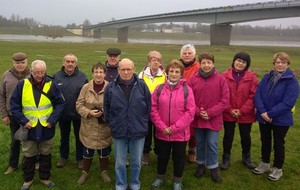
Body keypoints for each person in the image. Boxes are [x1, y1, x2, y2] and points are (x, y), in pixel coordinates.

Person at [10, 60, 65, 190]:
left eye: (42, 72)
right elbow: (14, 106)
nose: (39, 75)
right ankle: (28, 180)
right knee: (29, 154)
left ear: (45, 71)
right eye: (36, 72)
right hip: (29, 128)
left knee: (46, 153)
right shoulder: (22, 84)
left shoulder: (52, 84)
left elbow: (61, 103)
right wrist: (24, 121)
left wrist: (52, 120)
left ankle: (45, 178)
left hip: (47, 127)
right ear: (31, 72)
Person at [104, 58, 151, 190]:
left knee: (136, 162)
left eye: (128, 69)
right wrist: (113, 124)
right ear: (118, 70)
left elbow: (148, 107)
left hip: (138, 130)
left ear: (133, 69)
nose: (126, 72)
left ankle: (135, 184)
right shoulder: (111, 87)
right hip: (119, 130)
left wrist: (141, 122)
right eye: (123, 69)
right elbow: (106, 108)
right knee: (120, 162)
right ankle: (121, 185)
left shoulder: (142, 86)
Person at [253, 52, 299, 181]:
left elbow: (288, 102)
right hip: (264, 116)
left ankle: (278, 169)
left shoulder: (292, 81)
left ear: (288, 64)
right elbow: (258, 95)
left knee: (278, 144)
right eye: (277, 62)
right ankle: (265, 164)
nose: (280, 64)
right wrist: (263, 112)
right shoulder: (267, 77)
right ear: (274, 64)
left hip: (281, 119)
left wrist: (270, 113)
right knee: (265, 141)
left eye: (283, 62)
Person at [150, 60, 195, 190]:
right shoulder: (159, 89)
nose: (174, 74)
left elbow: (190, 112)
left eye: (177, 72)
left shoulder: (187, 90)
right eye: (171, 71)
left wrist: (174, 128)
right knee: (162, 156)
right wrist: (162, 127)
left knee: (179, 157)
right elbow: (153, 109)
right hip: (162, 132)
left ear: (181, 74)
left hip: (180, 134)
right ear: (167, 73)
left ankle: (177, 181)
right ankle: (160, 178)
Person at [189, 53, 229, 183]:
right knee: (200, 143)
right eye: (204, 63)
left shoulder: (221, 79)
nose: (206, 65)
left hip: (214, 118)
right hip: (198, 118)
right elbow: (189, 99)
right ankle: (200, 164)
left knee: (212, 143)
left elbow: (225, 100)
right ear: (200, 64)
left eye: (209, 63)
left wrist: (210, 113)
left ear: (213, 64)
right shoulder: (193, 79)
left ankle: (213, 167)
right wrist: (197, 112)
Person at [76, 62, 112, 185]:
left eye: (101, 72)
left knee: (104, 150)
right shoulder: (85, 88)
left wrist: (104, 113)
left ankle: (104, 171)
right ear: (92, 73)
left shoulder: (110, 88)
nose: (98, 74)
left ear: (105, 74)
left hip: (104, 127)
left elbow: (115, 107)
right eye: (96, 72)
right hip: (88, 126)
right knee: (88, 149)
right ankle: (85, 172)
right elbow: (78, 105)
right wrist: (89, 112)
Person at [220, 52, 258, 170]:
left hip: (245, 113)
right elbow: (221, 94)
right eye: (238, 60)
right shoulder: (224, 76)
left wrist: (242, 111)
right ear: (234, 61)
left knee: (245, 135)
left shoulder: (252, 77)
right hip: (228, 112)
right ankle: (226, 157)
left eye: (243, 62)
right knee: (228, 135)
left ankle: (246, 157)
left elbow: (253, 96)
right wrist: (229, 109)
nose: (240, 63)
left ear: (247, 64)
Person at [53, 54, 88, 169]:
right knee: (64, 137)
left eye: (73, 62)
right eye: (68, 61)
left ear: (76, 64)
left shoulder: (82, 76)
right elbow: (53, 95)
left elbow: (87, 95)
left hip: (78, 113)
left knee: (79, 137)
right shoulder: (57, 76)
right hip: (63, 113)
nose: (70, 64)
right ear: (64, 63)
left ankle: (80, 158)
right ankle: (63, 157)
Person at [0, 52, 30, 175]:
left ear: (26, 62)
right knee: (15, 141)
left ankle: (31, 163)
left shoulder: (32, 74)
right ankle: (13, 165)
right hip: (12, 115)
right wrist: (4, 114)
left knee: (30, 141)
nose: (20, 65)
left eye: (22, 62)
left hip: (29, 114)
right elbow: (1, 95)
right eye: (17, 63)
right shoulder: (6, 75)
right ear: (13, 63)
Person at [138, 50, 166, 165]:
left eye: (158, 61)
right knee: (146, 132)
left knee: (159, 132)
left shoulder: (165, 75)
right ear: (149, 61)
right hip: (145, 110)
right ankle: (145, 153)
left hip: (159, 110)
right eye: (154, 60)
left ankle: (159, 153)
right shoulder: (142, 75)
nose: (156, 63)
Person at [179, 44, 200, 163]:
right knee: (180, 126)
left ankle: (192, 149)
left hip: (194, 101)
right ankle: (179, 149)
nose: (187, 55)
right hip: (178, 101)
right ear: (181, 55)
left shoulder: (199, 67)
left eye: (189, 53)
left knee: (193, 128)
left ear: (194, 55)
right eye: (185, 53)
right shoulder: (177, 65)